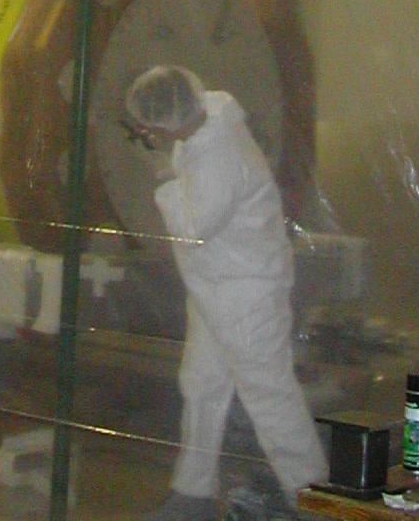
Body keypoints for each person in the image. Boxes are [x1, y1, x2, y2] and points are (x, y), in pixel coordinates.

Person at [125, 65, 329, 521]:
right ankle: (192, 492)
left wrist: (163, 181)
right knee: (202, 385)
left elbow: (195, 227)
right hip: (216, 287)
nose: (151, 135)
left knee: (268, 394)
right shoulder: (205, 122)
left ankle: (313, 499)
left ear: (167, 123)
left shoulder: (219, 154)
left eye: (151, 128)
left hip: (245, 293)